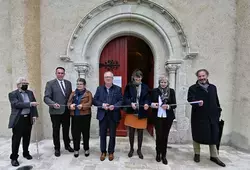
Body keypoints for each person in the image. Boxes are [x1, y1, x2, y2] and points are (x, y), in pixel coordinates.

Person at [187, 69, 226, 167]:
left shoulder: (213, 87)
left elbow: (216, 100)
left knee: (213, 135)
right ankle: (197, 154)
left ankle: (214, 156)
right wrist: (197, 102)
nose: (202, 78)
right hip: (199, 116)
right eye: (199, 76)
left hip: (212, 116)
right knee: (197, 134)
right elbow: (190, 100)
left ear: (207, 76)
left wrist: (218, 110)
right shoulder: (193, 88)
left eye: (203, 76)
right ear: (197, 77)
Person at [8, 77, 39, 167]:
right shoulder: (13, 94)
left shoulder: (30, 93)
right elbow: (16, 104)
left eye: (26, 83)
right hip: (19, 119)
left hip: (28, 118)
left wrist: (34, 115)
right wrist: (29, 104)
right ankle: (14, 157)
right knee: (16, 139)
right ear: (18, 85)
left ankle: (26, 153)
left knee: (27, 137)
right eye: (23, 83)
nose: (25, 85)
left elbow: (34, 104)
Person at [93, 71, 123, 161]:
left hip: (113, 115)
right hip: (103, 115)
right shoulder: (99, 89)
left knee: (112, 135)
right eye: (106, 77)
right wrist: (102, 105)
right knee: (102, 135)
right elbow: (95, 101)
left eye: (110, 77)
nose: (108, 78)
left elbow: (121, 101)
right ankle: (103, 152)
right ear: (104, 78)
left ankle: (111, 152)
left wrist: (115, 106)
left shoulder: (118, 89)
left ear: (112, 78)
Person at [44, 67, 73, 157]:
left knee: (66, 129)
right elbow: (46, 98)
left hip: (66, 111)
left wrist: (71, 104)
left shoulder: (68, 83)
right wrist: (53, 104)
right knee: (56, 130)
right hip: (55, 112)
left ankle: (67, 145)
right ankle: (57, 148)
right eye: (58, 73)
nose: (60, 74)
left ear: (64, 74)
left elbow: (70, 97)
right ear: (56, 73)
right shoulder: (50, 84)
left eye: (62, 73)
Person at [123, 69, 150, 159]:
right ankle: (131, 149)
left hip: (142, 111)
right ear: (133, 77)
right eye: (136, 77)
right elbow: (125, 98)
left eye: (139, 77)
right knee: (131, 132)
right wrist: (131, 103)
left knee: (140, 132)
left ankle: (139, 150)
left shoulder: (145, 87)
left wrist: (146, 103)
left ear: (142, 77)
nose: (138, 79)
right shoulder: (129, 86)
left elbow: (147, 97)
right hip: (132, 112)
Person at [68, 78, 92, 158]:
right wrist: (70, 106)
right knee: (75, 134)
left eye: (81, 84)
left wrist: (82, 106)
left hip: (85, 116)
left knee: (85, 133)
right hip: (75, 116)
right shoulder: (73, 93)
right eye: (78, 84)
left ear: (84, 85)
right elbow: (68, 102)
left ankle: (86, 148)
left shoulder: (88, 93)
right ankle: (76, 149)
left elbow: (90, 103)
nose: (79, 85)